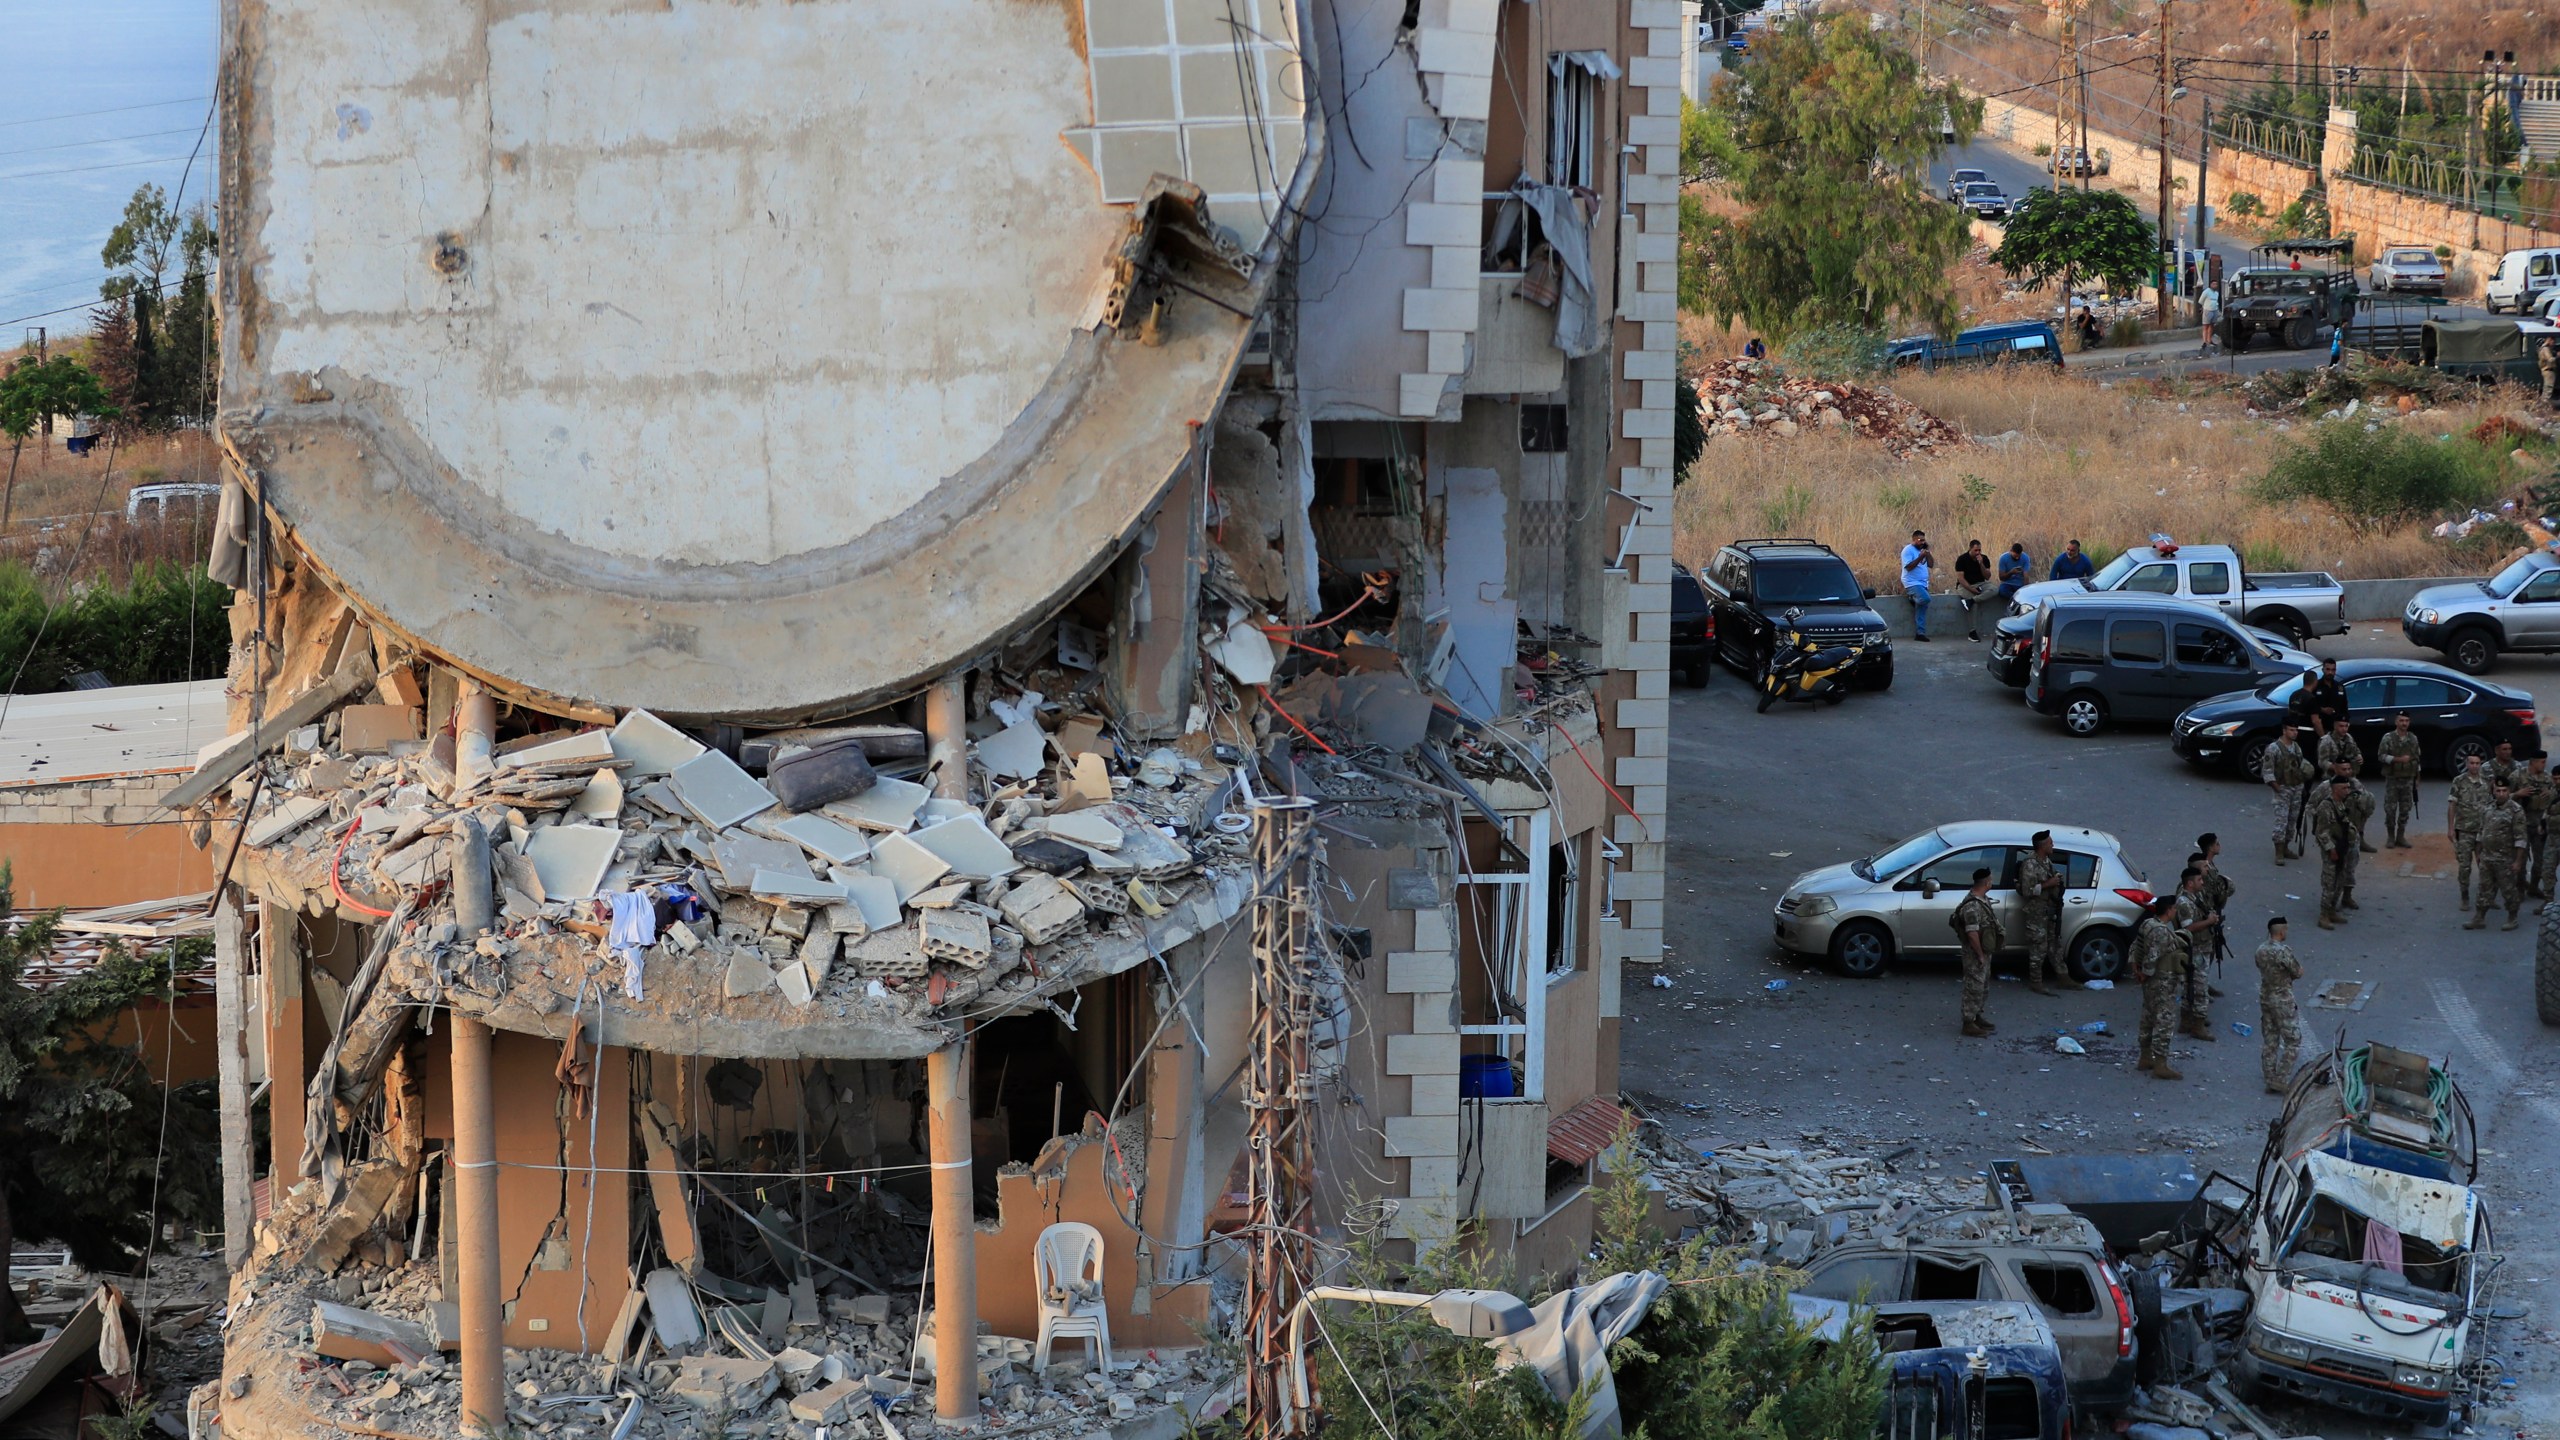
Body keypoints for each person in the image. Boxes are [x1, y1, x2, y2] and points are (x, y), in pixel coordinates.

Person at [2129, 896, 2187, 1080]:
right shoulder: (2161, 931)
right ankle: (2160, 1064)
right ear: (2169, 910)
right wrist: (2145, 973)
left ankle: (2145, 1057)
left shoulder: (2147, 924)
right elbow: (2153, 957)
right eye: (2174, 909)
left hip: (2150, 982)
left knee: (2148, 1016)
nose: (2176, 911)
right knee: (2164, 1020)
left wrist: (2136, 970)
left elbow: (2135, 947)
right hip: (2161, 981)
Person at [2465, 779, 2529, 930]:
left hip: (2505, 858)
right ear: (2493, 791)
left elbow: (2521, 838)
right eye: (2498, 791)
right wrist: (2479, 852)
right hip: (2487, 857)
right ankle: (2479, 917)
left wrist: (2518, 861)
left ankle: (2512, 917)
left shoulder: (2516, 810)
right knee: (2484, 888)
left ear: (2508, 791)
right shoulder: (2488, 808)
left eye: (2504, 791)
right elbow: (2482, 831)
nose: (2501, 794)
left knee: (2508, 889)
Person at [2309, 774, 2370, 928]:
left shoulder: (2341, 804)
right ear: (2336, 789)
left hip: (2342, 848)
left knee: (2340, 880)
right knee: (2329, 883)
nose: (2347, 790)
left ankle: (2332, 911)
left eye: (2348, 787)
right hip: (2332, 849)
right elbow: (2321, 832)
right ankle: (2323, 916)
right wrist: (2331, 850)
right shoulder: (2326, 806)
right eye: (2344, 788)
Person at [2255, 916, 2304, 1095]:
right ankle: (2281, 1079)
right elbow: (2297, 972)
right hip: (2282, 999)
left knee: (2270, 1039)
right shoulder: (2283, 951)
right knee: (2293, 1040)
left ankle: (2269, 1078)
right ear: (2282, 931)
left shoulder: (2260, 949)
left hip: (2266, 996)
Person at [1952, 867, 2003, 1037]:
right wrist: (1980, 955)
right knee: (1973, 987)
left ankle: (1976, 1016)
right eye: (1991, 879)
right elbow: (1972, 933)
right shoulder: (1973, 905)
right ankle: (1968, 1023)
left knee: (1982, 986)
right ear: (1986, 882)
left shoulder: (1983, 899)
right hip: (1974, 953)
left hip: (1983, 951)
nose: (1992, 881)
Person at [2016, 830, 2068, 995]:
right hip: (2037, 912)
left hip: (2049, 909)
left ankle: (2063, 977)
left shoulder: (2046, 861)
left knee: (2054, 944)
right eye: (2050, 843)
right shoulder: (2030, 864)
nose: (2053, 845)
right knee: (2038, 947)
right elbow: (2027, 891)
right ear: (2042, 846)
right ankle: (2036, 982)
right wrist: (2048, 884)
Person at [2171, 865, 2219, 1040]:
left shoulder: (2195, 896)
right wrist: (2208, 921)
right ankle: (2198, 1026)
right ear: (2190, 883)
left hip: (2201, 947)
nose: (2202, 881)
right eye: (2199, 879)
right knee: (2199, 988)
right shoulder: (2184, 902)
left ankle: (2186, 1022)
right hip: (2194, 950)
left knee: (2190, 986)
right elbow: (2188, 927)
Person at [2318, 719, 2373, 853]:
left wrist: (2359, 757)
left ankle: (2359, 836)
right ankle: (2334, 840)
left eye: (2346, 726)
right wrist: (2335, 767)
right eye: (2341, 726)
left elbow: (2356, 751)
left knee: (2366, 800)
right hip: (2333, 778)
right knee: (2335, 810)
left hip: (2349, 777)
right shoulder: (2326, 741)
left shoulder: (2349, 738)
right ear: (2335, 726)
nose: (2344, 729)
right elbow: (2322, 762)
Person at [2448, 753, 2495, 912]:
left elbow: (2492, 806)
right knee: (2465, 866)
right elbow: (2452, 805)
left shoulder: (2487, 782)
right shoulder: (2459, 781)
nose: (2475, 766)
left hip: (2482, 831)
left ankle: (2487, 897)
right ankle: (2465, 896)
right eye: (2472, 763)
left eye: (2477, 763)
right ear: (2466, 764)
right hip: (2465, 830)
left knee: (2485, 866)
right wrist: (2450, 828)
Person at [2266, 722, 2314, 863]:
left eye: (2296, 730)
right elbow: (2267, 771)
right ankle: (2279, 852)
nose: (2295, 733)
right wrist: (2277, 787)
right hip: (2283, 788)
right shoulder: (2274, 748)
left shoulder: (2296, 747)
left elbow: (2300, 765)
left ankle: (2286, 847)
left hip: (2296, 788)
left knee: (2292, 820)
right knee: (2281, 820)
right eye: (2291, 730)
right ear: (2284, 730)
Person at [2378, 712, 2422, 848]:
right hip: (2393, 779)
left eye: (2407, 721)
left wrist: (2417, 777)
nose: (2404, 723)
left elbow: (2416, 758)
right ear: (2396, 722)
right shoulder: (2388, 738)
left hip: (2408, 779)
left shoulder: (2413, 738)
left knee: (2405, 808)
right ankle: (2390, 836)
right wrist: (2398, 759)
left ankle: (2400, 836)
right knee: (2390, 809)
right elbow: (2381, 756)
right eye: (2401, 720)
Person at [2521, 752, 2556, 898]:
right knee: (2520, 861)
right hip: (2521, 825)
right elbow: (2502, 795)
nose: (2544, 764)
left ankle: (2533, 887)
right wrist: (2518, 793)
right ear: (2533, 762)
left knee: (2540, 861)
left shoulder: (2548, 778)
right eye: (2541, 762)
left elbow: (2556, 795)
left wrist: (2550, 793)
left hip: (2539, 826)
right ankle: (2519, 889)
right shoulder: (2518, 776)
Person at [1952, 539, 1995, 641]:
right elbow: (1961, 579)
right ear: (1970, 549)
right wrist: (1972, 589)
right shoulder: (1962, 559)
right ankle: (1972, 632)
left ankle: (1970, 601)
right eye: (1975, 550)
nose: (1978, 553)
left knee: (1994, 589)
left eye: (1979, 550)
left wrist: (1981, 564)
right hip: (1965, 586)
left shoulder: (1984, 558)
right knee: (1974, 605)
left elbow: (1988, 576)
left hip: (1981, 583)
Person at [1901, 530, 1933, 642]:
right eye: (1920, 540)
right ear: (1914, 540)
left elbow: (1931, 564)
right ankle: (1912, 597)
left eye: (1924, 540)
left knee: (1922, 609)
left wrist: (1928, 553)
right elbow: (1909, 567)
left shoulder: (1923, 550)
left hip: (1923, 583)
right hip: (1912, 582)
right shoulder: (1908, 550)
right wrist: (1920, 557)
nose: (1922, 542)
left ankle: (1920, 633)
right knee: (1925, 599)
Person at [2303, 660, 2348, 739]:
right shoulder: (2316, 686)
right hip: (2319, 730)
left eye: (2333, 670)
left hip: (2336, 731)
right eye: (2328, 669)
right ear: (2323, 670)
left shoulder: (2340, 687)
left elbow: (2344, 708)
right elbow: (2308, 707)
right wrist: (2322, 710)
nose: (2330, 672)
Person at [2199, 284, 2223, 356]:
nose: (2215, 285)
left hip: (2214, 310)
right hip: (2207, 310)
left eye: (2216, 284)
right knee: (2205, 326)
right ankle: (2205, 341)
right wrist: (2203, 308)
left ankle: (2209, 340)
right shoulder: (2206, 292)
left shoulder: (2216, 293)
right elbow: (2201, 301)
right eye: (2213, 284)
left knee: (2211, 326)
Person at [2539, 333, 2559, 408]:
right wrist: (2557, 356)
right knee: (2548, 388)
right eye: (2553, 341)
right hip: (2548, 370)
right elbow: (2550, 360)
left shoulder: (2543, 348)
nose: (2554, 342)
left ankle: (2543, 403)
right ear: (2549, 340)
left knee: (2546, 388)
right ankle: (2543, 405)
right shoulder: (2546, 349)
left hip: (2547, 370)